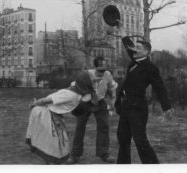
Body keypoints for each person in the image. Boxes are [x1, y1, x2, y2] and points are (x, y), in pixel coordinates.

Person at [114, 27, 174, 164]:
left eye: (138, 47)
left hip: (138, 108)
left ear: (146, 51)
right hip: (126, 107)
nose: (134, 49)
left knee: (140, 141)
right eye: (134, 47)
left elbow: (160, 88)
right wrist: (121, 29)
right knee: (122, 139)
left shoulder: (150, 67)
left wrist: (167, 108)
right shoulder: (134, 61)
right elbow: (128, 45)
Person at [25, 71, 94, 164]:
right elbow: (46, 100)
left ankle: (47, 163)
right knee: (54, 144)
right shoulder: (71, 95)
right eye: (91, 82)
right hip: (45, 114)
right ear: (85, 84)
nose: (93, 84)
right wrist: (35, 104)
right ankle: (47, 163)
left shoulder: (76, 89)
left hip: (51, 114)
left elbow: (89, 94)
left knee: (54, 144)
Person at [66, 56, 118, 164]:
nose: (102, 73)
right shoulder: (86, 75)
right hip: (85, 102)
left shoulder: (108, 75)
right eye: (100, 70)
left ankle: (104, 153)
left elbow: (112, 87)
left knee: (104, 126)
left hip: (100, 102)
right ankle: (75, 155)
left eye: (104, 69)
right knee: (80, 127)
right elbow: (73, 86)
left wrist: (113, 101)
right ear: (95, 67)